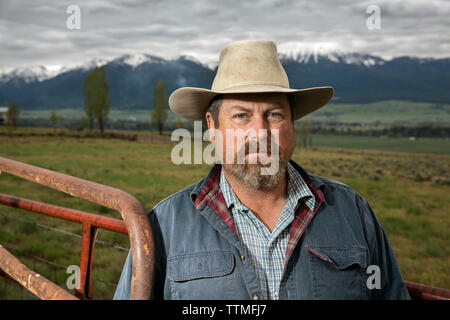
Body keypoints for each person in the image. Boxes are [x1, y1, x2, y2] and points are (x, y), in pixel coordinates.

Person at [114, 40, 410, 300]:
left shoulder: (352, 212)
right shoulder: (163, 226)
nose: (260, 132)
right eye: (242, 115)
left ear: (293, 126)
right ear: (213, 128)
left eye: (274, 114)